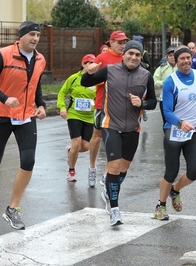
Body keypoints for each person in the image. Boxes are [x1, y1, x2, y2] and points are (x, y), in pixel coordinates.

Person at [0, 20, 46, 230]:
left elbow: (35, 84)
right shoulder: (4, 54)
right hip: (3, 115)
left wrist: (40, 105)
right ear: (21, 36)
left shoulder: (40, 59)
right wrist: (4, 98)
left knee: (28, 160)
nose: (35, 38)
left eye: (38, 35)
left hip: (26, 117)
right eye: (31, 34)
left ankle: (12, 209)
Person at [81, 40, 157, 226]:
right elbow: (86, 82)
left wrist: (142, 103)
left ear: (141, 57)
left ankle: (109, 188)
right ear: (123, 55)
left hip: (132, 128)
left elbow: (154, 101)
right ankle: (114, 209)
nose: (133, 57)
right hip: (111, 125)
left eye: (137, 55)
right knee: (114, 167)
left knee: (123, 170)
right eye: (130, 53)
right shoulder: (110, 70)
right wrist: (87, 72)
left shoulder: (146, 76)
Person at [153, 45, 196, 220]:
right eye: (182, 58)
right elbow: (166, 111)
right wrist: (180, 123)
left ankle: (175, 190)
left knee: (194, 171)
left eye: (188, 58)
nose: (186, 61)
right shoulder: (170, 82)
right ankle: (161, 205)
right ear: (175, 60)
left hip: (193, 131)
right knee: (171, 171)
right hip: (173, 132)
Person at [89, 30, 129, 189]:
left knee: (112, 141)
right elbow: (90, 79)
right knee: (98, 138)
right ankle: (92, 167)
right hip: (102, 103)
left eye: (124, 42)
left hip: (119, 106)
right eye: (119, 42)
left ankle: (107, 174)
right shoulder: (102, 58)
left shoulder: (127, 57)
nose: (122, 46)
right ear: (110, 43)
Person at [57, 54, 96, 185]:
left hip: (89, 117)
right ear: (83, 64)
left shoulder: (97, 80)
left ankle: (71, 151)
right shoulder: (74, 78)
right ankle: (71, 171)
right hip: (74, 114)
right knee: (77, 143)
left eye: (93, 62)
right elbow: (62, 93)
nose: (91, 65)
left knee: (86, 146)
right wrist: (62, 107)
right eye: (88, 62)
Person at [153, 46, 177, 124]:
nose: (172, 57)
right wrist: (165, 83)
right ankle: (167, 135)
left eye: (174, 55)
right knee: (166, 121)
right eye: (170, 56)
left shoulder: (181, 67)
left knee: (178, 120)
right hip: (164, 98)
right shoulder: (161, 68)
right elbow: (155, 81)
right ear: (167, 57)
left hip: (179, 98)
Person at [133, 35, 151, 121]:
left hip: (141, 76)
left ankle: (143, 109)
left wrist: (141, 65)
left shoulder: (144, 53)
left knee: (142, 94)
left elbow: (148, 65)